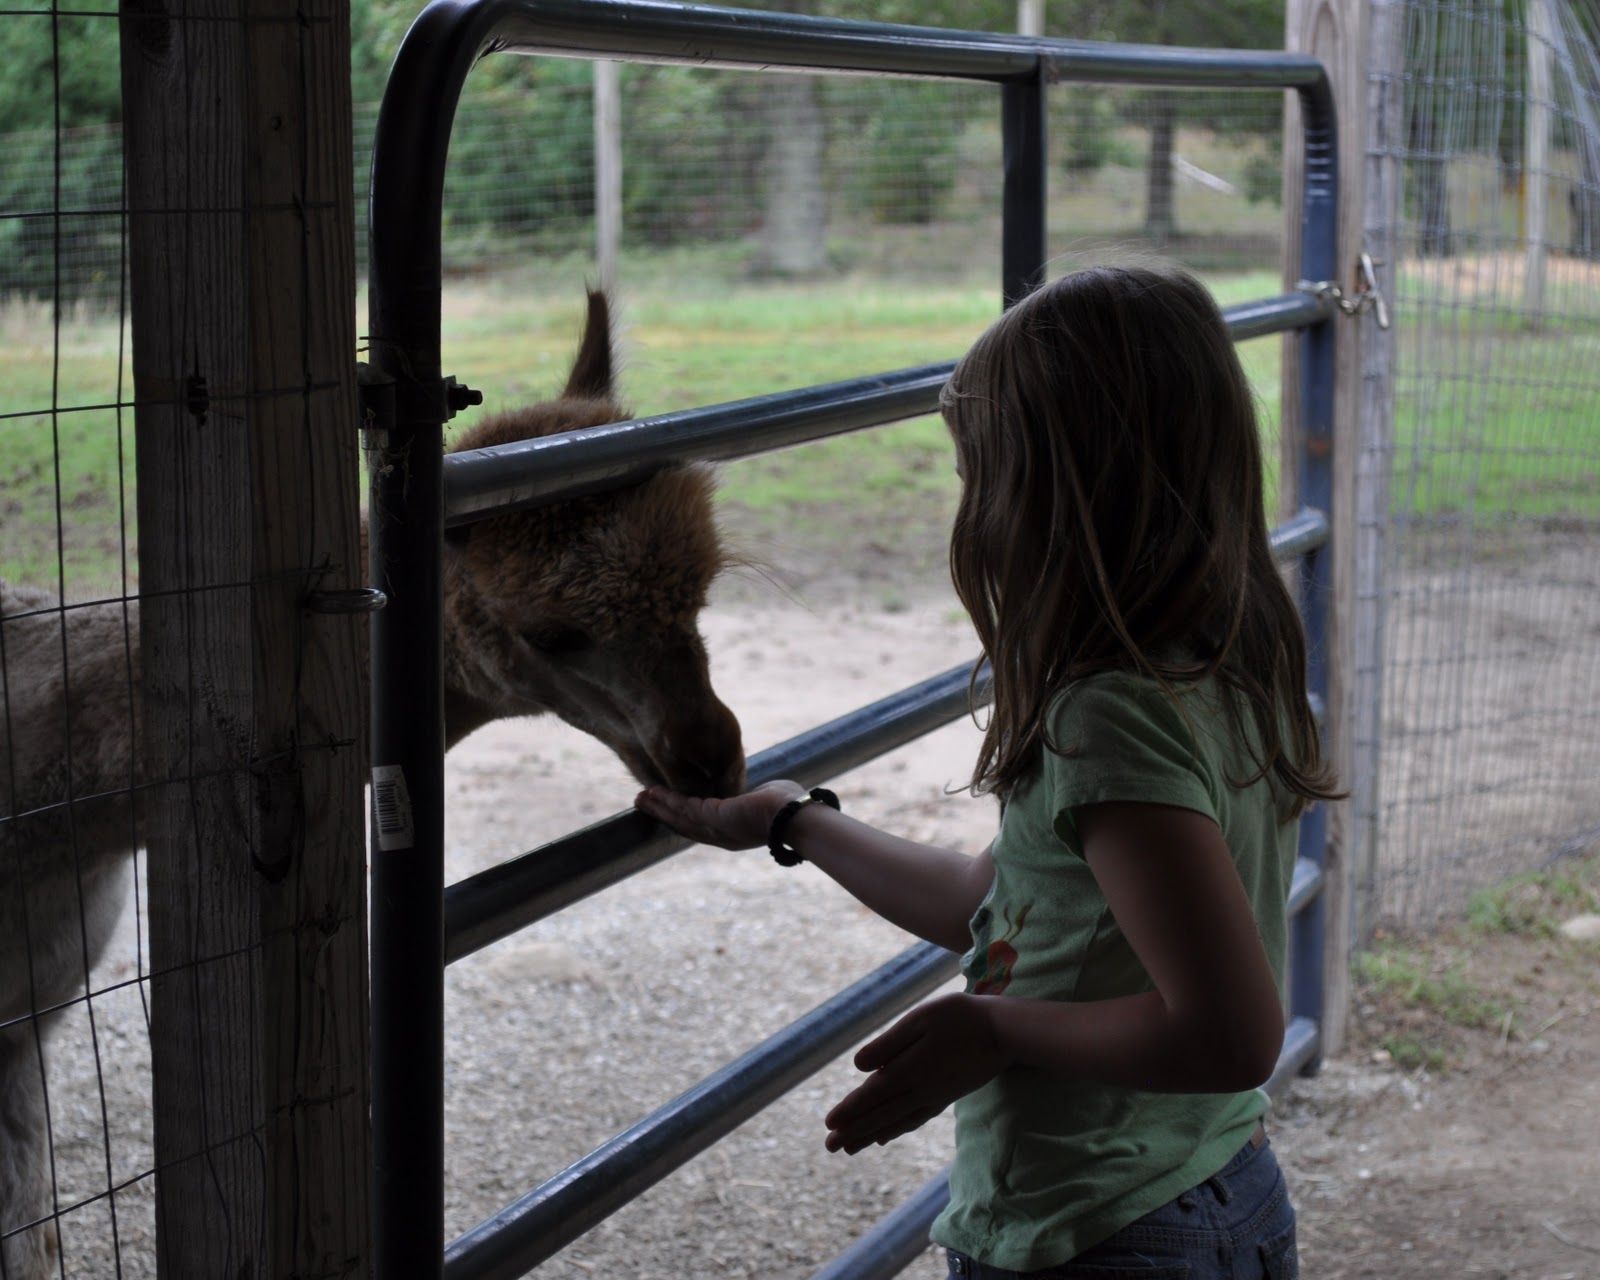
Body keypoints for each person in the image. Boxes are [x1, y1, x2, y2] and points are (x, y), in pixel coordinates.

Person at [634, 263, 1340, 1278]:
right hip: (1217, 1180)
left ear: (1055, 492)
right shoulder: (1220, 664)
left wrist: (993, 1026)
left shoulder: (1107, 716)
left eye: (980, 471)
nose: (968, 506)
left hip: (1101, 1228)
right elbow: (1002, 899)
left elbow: (1230, 1032)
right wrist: (795, 819)